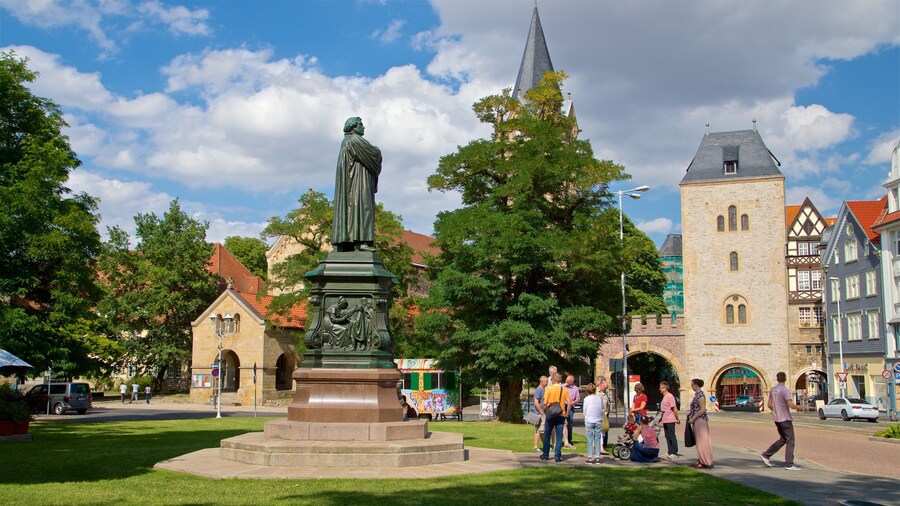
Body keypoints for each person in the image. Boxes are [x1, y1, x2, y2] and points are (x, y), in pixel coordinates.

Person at [332, 116, 382, 252]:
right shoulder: (354, 140)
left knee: (351, 211)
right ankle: (362, 242)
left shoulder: (346, 141)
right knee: (363, 207)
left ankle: (346, 242)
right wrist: (377, 150)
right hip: (358, 183)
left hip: (352, 183)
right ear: (353, 127)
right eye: (361, 124)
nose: (363, 127)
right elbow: (374, 154)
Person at [761, 371, 801, 471]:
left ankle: (766, 455)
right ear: (785, 379)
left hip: (777, 418)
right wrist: (799, 407)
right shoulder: (785, 390)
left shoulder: (773, 390)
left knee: (783, 439)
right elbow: (790, 405)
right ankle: (789, 464)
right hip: (785, 418)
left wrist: (776, 411)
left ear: (777, 378)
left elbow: (769, 405)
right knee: (790, 441)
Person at [541, 373, 569, 463]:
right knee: (559, 436)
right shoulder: (564, 389)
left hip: (550, 415)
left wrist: (545, 410)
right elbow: (569, 402)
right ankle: (557, 456)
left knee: (547, 435)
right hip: (560, 415)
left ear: (553, 380)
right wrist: (566, 414)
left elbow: (545, 402)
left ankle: (545, 455)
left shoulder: (549, 389)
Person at [687, 378, 713, 469]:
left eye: (692, 384)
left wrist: (693, 418)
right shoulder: (697, 395)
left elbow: (702, 409)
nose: (691, 386)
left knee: (702, 440)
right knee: (699, 441)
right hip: (697, 420)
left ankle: (705, 461)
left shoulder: (700, 395)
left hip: (700, 420)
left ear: (696, 385)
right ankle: (701, 459)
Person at [582, 382, 604, 464]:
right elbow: (602, 408)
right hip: (598, 420)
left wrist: (586, 416)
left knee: (590, 439)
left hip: (589, 420)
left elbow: (584, 410)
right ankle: (597, 457)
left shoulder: (586, 399)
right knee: (598, 438)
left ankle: (590, 457)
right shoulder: (599, 398)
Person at [660, 381, 680, 460]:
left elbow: (674, 408)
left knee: (672, 436)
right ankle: (669, 451)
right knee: (667, 436)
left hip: (670, 419)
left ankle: (674, 452)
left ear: (665, 388)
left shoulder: (670, 396)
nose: (660, 389)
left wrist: (677, 418)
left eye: (661, 388)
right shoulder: (665, 397)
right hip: (665, 419)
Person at [562, 375, 580, 448]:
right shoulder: (562, 386)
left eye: (568, 381)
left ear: (571, 381)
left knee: (569, 423)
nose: (566, 382)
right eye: (566, 380)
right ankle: (562, 440)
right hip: (562, 406)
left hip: (571, 407)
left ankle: (569, 440)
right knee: (561, 423)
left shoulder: (575, 389)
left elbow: (578, 399)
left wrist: (572, 402)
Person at [532, 376, 548, 452]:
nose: (547, 382)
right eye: (546, 381)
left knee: (542, 430)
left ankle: (545, 446)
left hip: (543, 412)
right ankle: (535, 446)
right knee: (539, 430)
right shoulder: (539, 390)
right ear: (541, 381)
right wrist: (541, 412)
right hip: (539, 413)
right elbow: (536, 402)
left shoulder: (543, 389)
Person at [598, 377, 611, 455]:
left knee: (605, 429)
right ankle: (600, 447)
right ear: (601, 385)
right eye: (605, 387)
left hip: (605, 414)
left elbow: (608, 403)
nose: (606, 389)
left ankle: (603, 445)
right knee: (601, 431)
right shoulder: (597, 392)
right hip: (599, 414)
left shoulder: (606, 393)